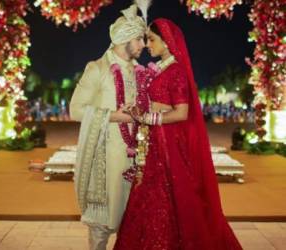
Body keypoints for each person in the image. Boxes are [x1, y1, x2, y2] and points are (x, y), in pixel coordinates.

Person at [114, 18, 242, 250]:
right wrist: (140, 112)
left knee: (173, 196)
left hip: (169, 145)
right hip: (157, 142)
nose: (147, 45)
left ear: (168, 42)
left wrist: (149, 118)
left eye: (152, 40)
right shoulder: (165, 69)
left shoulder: (177, 71)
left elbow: (182, 112)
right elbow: (162, 104)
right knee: (154, 198)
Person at [69, 5, 146, 250]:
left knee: (134, 223)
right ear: (124, 39)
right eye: (139, 39)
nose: (143, 44)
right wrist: (115, 116)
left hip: (135, 160)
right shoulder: (97, 69)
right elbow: (76, 110)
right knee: (100, 226)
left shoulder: (141, 73)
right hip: (104, 160)